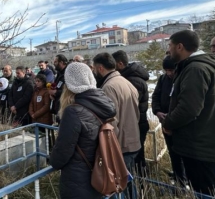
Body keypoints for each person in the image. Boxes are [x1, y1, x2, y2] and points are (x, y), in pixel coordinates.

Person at [162, 30, 215, 197]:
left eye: (170, 46)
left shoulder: (195, 69)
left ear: (180, 46)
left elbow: (189, 108)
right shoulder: (195, 67)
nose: (168, 50)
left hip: (199, 144)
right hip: (199, 141)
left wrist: (168, 123)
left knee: (204, 192)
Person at [50, 62, 117, 199]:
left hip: (78, 181)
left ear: (69, 84)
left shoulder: (73, 111)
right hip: (99, 173)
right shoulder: (103, 102)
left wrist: (52, 160)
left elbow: (62, 152)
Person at [92, 52, 140, 198]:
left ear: (100, 68)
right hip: (133, 140)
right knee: (128, 183)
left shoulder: (109, 87)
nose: (93, 71)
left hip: (122, 145)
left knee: (119, 187)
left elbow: (112, 123)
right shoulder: (126, 82)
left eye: (94, 68)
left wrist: (110, 151)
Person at [112, 50, 150, 174]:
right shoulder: (127, 78)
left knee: (137, 159)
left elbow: (129, 105)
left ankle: (140, 185)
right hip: (135, 123)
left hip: (136, 124)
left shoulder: (133, 81)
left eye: (114, 65)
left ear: (121, 64)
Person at [151, 56, 186, 186]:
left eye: (171, 70)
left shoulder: (183, 78)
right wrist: (157, 111)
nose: (169, 73)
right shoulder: (163, 79)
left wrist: (173, 118)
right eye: (166, 70)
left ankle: (184, 179)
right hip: (165, 122)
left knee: (181, 152)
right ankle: (178, 174)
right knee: (172, 151)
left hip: (179, 123)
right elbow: (155, 96)